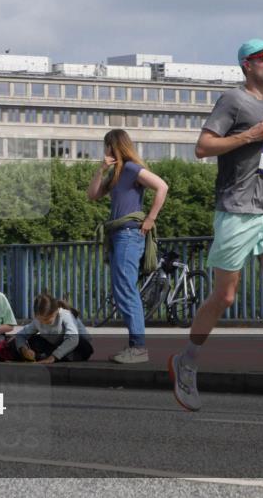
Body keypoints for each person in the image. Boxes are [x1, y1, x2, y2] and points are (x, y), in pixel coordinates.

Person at [169, 38, 263, 413]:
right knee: (224, 296)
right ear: (246, 65)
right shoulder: (232, 101)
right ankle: (186, 361)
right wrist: (246, 135)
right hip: (236, 211)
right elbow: (203, 146)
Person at [87, 129, 169, 364]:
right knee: (123, 289)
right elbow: (92, 195)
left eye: (107, 146)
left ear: (114, 146)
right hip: (118, 236)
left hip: (128, 234)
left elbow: (162, 186)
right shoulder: (115, 173)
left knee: (126, 289)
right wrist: (101, 169)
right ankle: (135, 346)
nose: (105, 151)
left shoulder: (132, 168)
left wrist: (151, 218)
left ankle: (139, 348)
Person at [14, 292, 93, 363]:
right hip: (56, 346)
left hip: (78, 347)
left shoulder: (65, 315)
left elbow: (73, 339)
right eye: (40, 320)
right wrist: (24, 349)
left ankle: (50, 357)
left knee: (77, 341)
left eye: (47, 320)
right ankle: (46, 356)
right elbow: (20, 335)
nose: (43, 323)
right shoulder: (37, 321)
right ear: (36, 316)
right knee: (34, 340)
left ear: (56, 312)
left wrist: (53, 357)